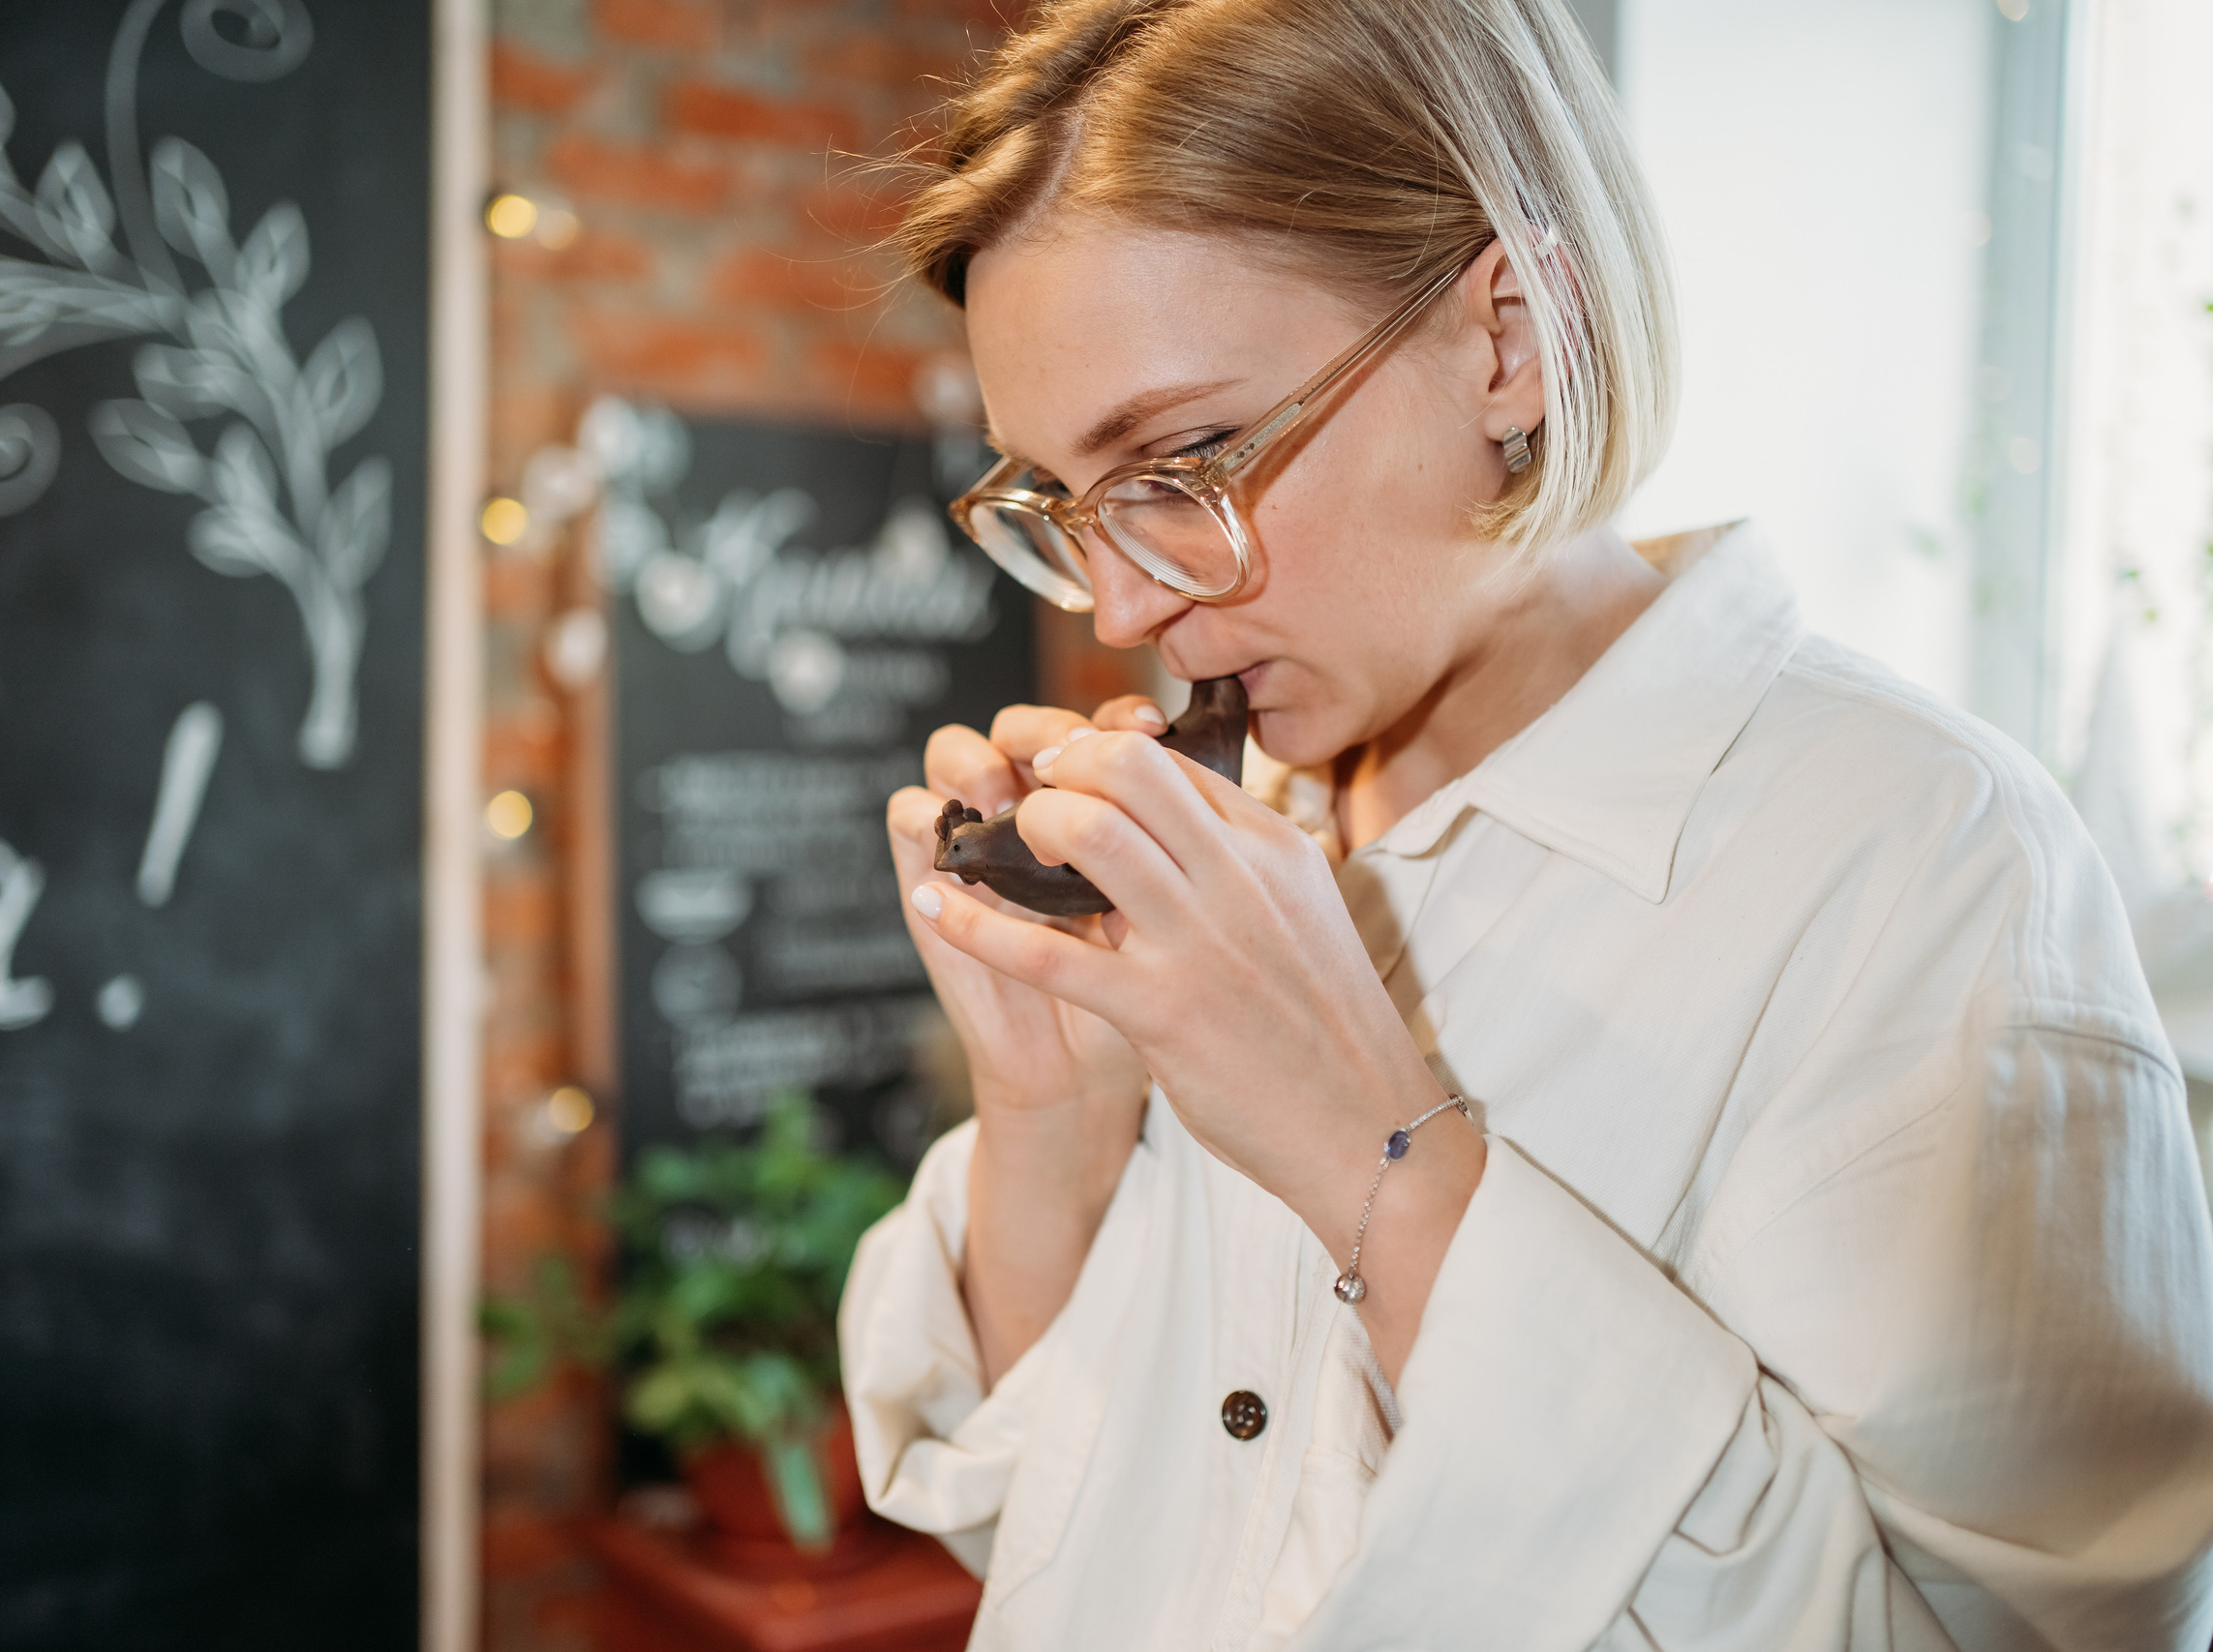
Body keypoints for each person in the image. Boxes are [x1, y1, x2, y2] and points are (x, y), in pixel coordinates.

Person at [834, 0, 2213, 1646]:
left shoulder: (1923, 866)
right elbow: (1036, 1527)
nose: (1124, 602)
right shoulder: (1237, 829)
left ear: (1505, 339)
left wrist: (1374, 1151)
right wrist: (1054, 1114)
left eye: (1187, 457)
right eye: (1063, 499)